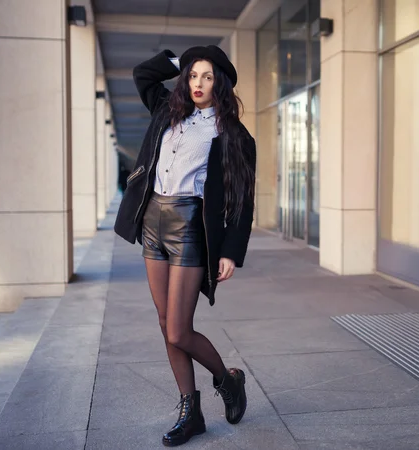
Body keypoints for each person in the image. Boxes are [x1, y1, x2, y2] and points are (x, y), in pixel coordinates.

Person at [114, 45, 256, 447]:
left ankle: (227, 381)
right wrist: (185, 59)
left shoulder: (231, 133)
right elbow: (143, 72)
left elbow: (243, 200)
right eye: (194, 75)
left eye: (208, 77)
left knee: (178, 330)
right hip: (153, 220)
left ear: (220, 84)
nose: (198, 84)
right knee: (165, 324)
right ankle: (190, 412)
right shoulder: (166, 109)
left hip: (191, 226)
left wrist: (230, 250)